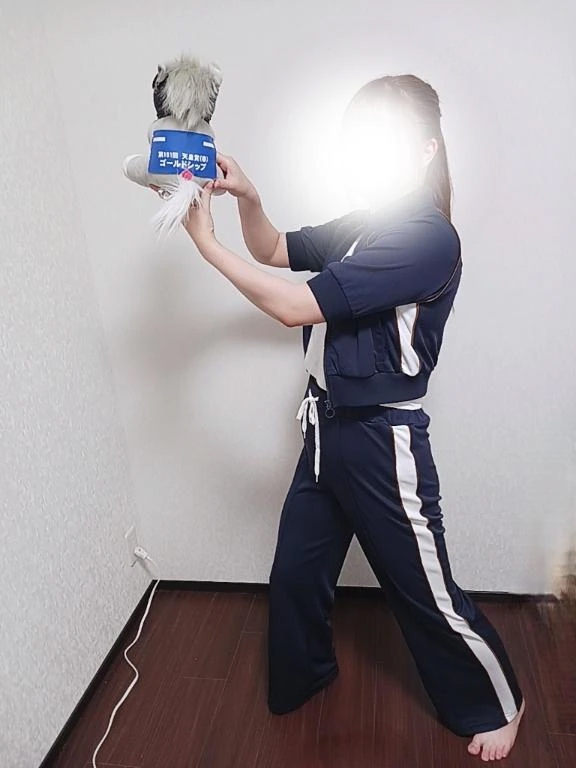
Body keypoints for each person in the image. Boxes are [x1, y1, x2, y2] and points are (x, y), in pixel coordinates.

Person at [158, 74, 525, 761]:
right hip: (325, 429)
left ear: (425, 150)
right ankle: (304, 677)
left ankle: (500, 701)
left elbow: (294, 305)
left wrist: (207, 247)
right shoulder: (366, 224)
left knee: (426, 593)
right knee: (296, 574)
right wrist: (249, 197)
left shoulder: (429, 239)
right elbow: (275, 250)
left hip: (382, 440)